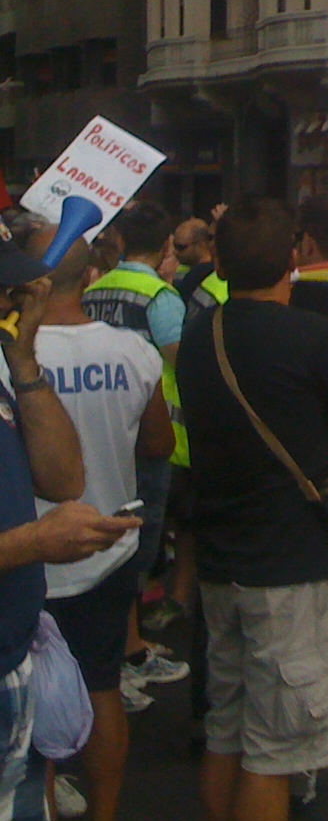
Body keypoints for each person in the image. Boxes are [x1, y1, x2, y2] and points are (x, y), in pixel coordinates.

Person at [177, 196, 328, 821]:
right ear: (294, 259)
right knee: (274, 753)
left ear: (218, 263)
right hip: (290, 569)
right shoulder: (310, 338)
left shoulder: (201, 334)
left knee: (225, 730)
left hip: (222, 562)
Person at [9, 213, 173, 821]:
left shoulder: (9, 353)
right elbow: (158, 445)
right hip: (105, 548)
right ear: (90, 276)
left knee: (35, 695)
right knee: (102, 688)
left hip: (29, 554)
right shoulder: (133, 351)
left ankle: (46, 814)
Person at [80, 202, 191, 707]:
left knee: (106, 543)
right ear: (166, 246)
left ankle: (126, 649)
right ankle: (119, 658)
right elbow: (182, 365)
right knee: (137, 549)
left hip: (99, 430)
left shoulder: (95, 289)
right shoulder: (160, 297)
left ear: (121, 242)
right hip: (151, 434)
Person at [172, 219, 216, 305]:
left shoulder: (213, 273)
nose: (175, 252)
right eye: (174, 246)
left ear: (201, 245)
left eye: (181, 247)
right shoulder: (180, 268)